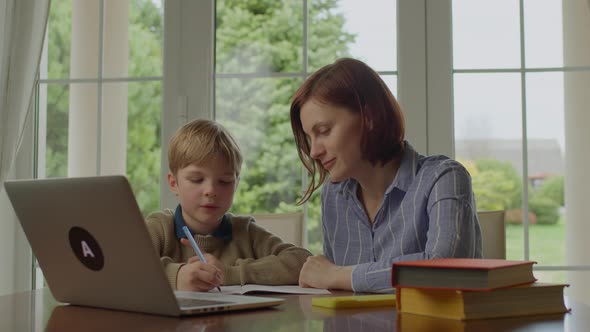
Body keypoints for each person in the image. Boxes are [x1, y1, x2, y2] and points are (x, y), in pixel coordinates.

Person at [290, 58, 482, 293]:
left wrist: (338, 276)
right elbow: (337, 292)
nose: (314, 151)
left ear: (369, 117)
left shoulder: (444, 178)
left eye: (324, 131)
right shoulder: (333, 195)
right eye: (310, 138)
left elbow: (445, 269)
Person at [146, 119, 312, 292]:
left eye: (224, 182)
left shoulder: (246, 232)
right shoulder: (160, 228)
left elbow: (302, 262)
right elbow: (120, 267)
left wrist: (231, 274)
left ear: (236, 184)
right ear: (174, 183)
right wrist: (176, 276)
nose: (211, 190)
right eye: (197, 179)